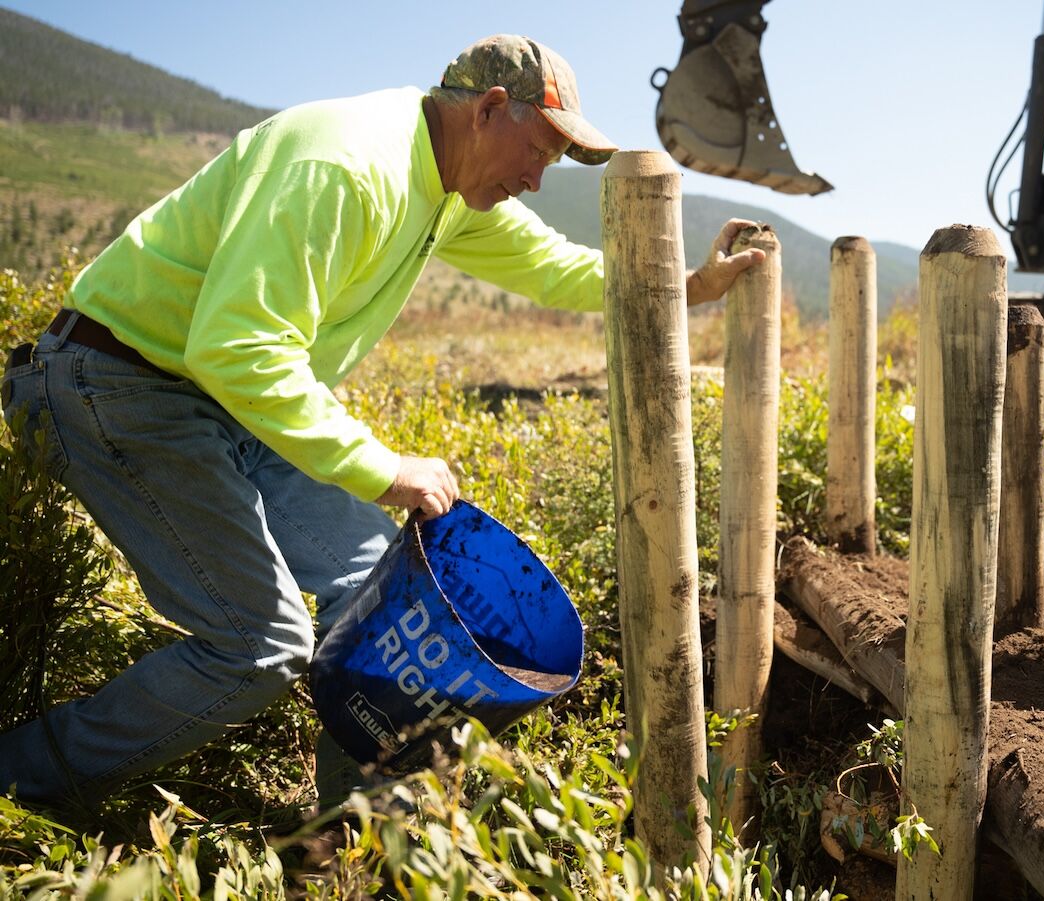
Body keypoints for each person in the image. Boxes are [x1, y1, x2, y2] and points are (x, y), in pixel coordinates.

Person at [0, 34, 763, 811]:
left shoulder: (447, 186)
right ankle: (17, 783)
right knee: (257, 646)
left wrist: (693, 284)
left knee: (382, 594)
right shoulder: (346, 167)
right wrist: (383, 468)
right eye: (535, 152)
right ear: (489, 110)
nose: (536, 180)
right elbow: (236, 347)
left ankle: (360, 850)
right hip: (119, 380)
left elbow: (552, 266)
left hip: (218, 397)